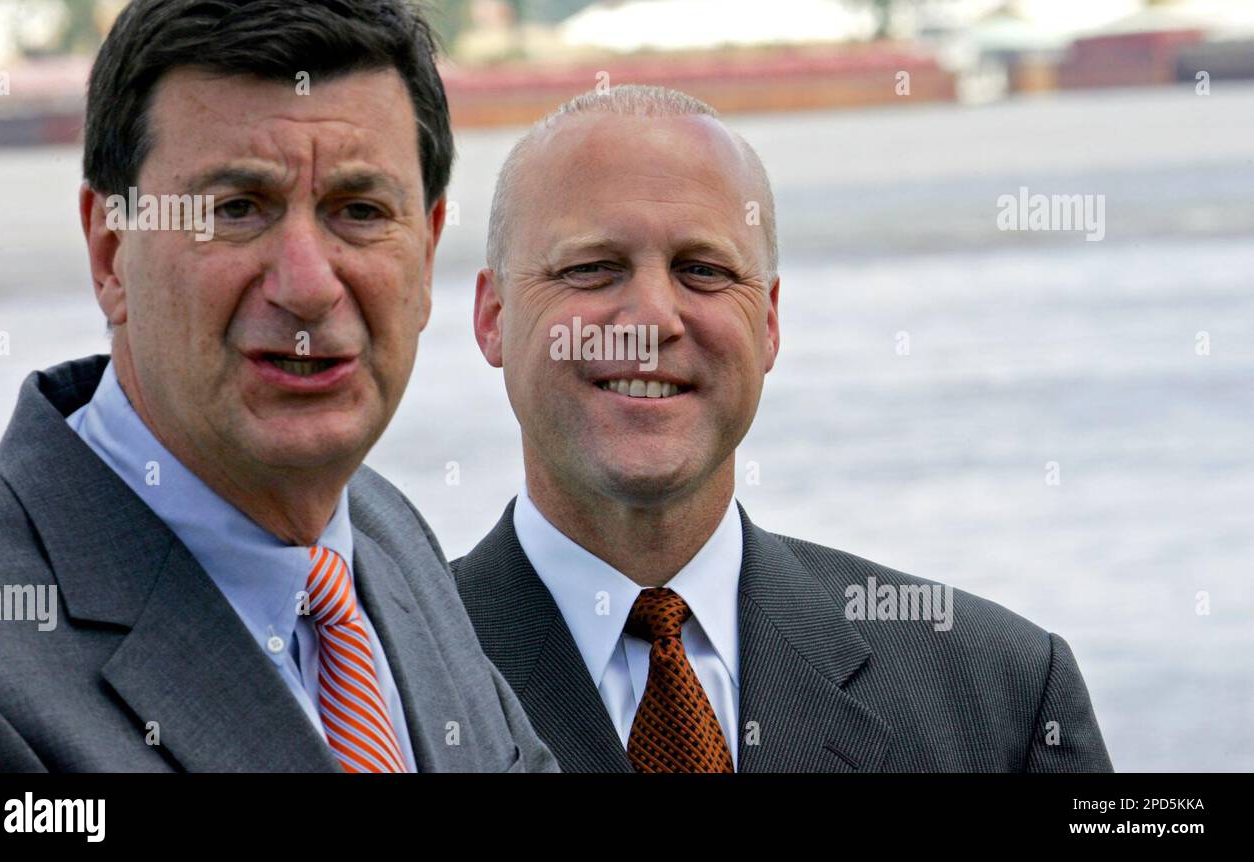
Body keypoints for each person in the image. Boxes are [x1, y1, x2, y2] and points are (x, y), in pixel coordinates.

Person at [0, 0, 555, 773]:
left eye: (360, 211)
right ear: (110, 251)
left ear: (427, 252)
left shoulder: (385, 535)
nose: (307, 286)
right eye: (236, 209)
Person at [451, 84, 1113, 773]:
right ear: (493, 316)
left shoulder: (1003, 693)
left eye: (703, 272)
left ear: (768, 323)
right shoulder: (378, 688)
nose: (650, 321)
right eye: (591, 269)